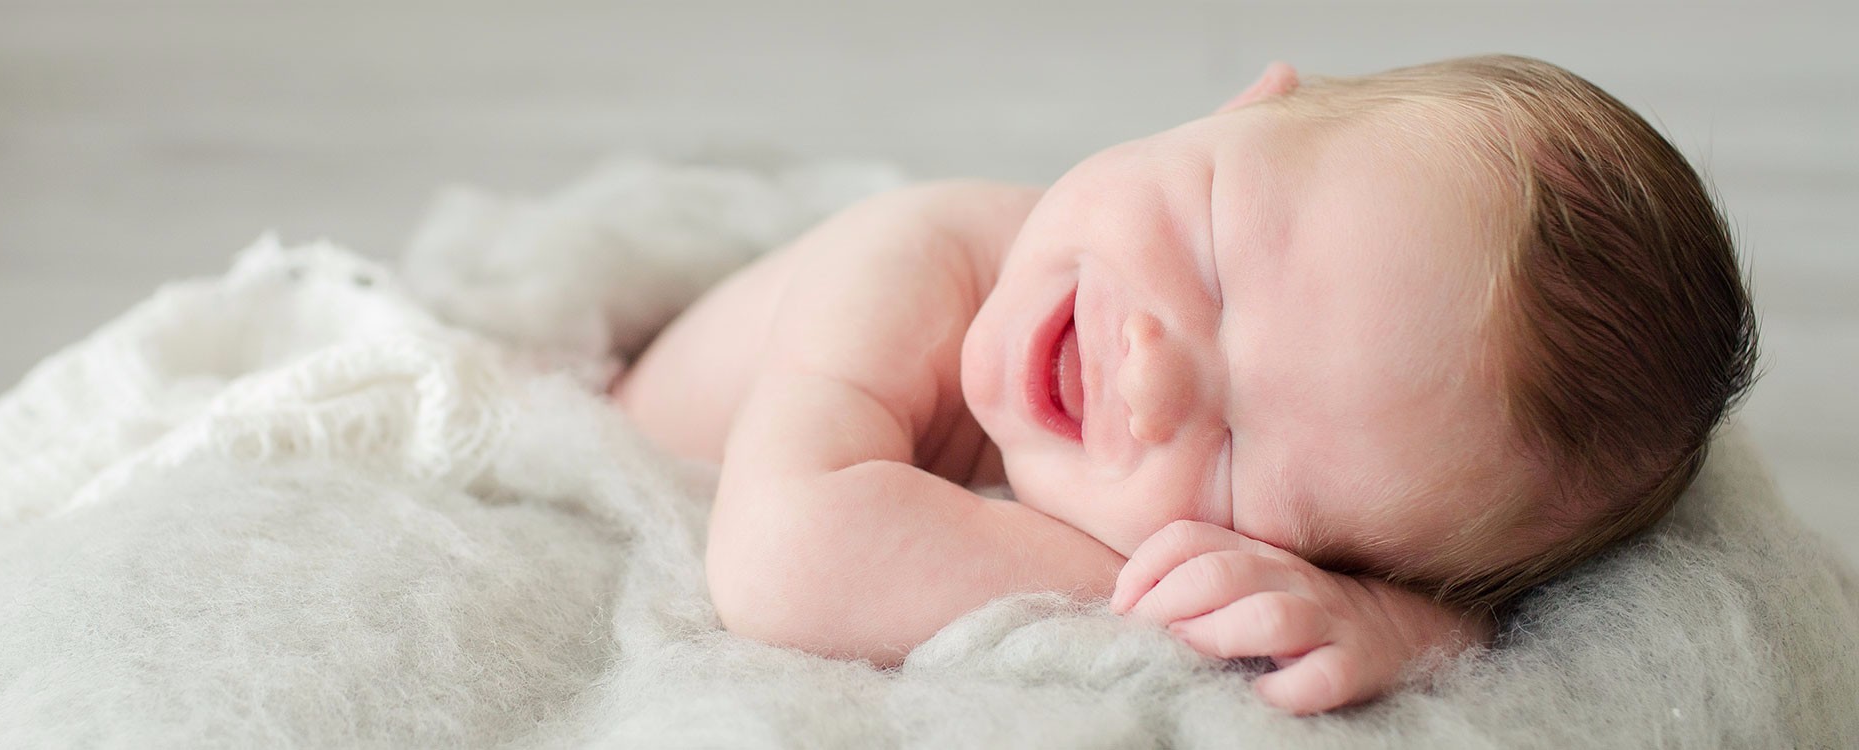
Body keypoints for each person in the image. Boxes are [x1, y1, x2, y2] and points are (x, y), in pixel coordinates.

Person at [608, 55, 1758, 715]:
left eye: (1241, 459)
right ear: (1246, 105)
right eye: (1212, 255)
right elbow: (783, 562)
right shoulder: (919, 255)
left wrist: (1413, 628)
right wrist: (1170, 606)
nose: (1150, 370)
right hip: (614, 421)